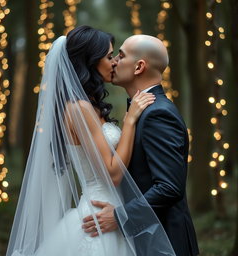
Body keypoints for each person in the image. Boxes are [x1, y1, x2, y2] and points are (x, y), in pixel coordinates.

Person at [6, 26, 176, 256]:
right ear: (90, 61)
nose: (114, 62)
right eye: (108, 56)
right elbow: (113, 173)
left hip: (114, 212)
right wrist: (130, 121)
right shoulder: (79, 108)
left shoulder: (90, 105)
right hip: (99, 214)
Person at [83, 34, 200, 256]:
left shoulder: (158, 114)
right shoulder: (142, 111)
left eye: (121, 55)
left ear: (139, 67)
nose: (114, 61)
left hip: (165, 241)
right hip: (147, 237)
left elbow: (169, 187)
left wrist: (119, 217)